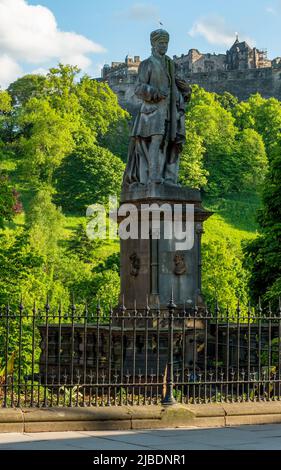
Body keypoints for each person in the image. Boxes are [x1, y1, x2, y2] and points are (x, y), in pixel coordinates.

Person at [123, 29, 191, 188]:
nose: (164, 46)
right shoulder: (147, 64)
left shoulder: (170, 64)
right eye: (161, 43)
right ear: (153, 44)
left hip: (169, 111)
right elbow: (138, 87)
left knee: (169, 143)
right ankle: (153, 178)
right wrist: (155, 93)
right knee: (156, 140)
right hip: (152, 112)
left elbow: (176, 82)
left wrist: (185, 91)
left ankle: (168, 179)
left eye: (166, 43)